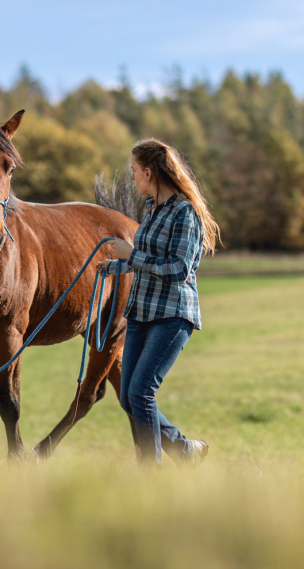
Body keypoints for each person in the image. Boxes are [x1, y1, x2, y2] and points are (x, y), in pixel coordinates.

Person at [100, 138, 220, 467]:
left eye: (134, 172)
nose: (133, 178)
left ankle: (151, 476)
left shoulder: (186, 213)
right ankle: (184, 451)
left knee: (140, 393)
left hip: (172, 316)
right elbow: (149, 261)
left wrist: (132, 255)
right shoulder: (153, 210)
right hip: (141, 313)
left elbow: (180, 269)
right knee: (128, 397)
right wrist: (115, 265)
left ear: (150, 172)